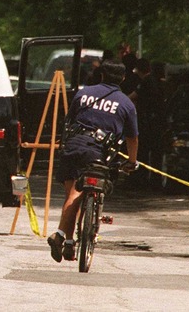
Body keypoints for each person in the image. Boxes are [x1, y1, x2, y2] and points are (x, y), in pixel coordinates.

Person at [48, 60, 138, 262]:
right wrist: (131, 161)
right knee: (79, 193)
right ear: (123, 78)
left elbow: (69, 120)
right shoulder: (126, 103)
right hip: (97, 152)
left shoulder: (83, 93)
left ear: (102, 75)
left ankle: (69, 243)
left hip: (73, 146)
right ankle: (61, 235)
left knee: (71, 194)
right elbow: (132, 138)